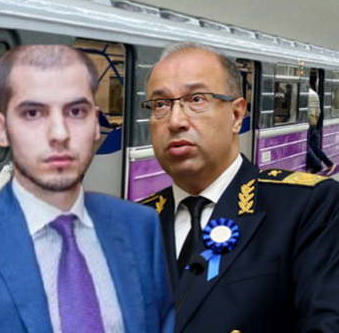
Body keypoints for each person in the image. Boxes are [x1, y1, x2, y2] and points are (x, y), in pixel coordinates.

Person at [0, 45, 173, 333]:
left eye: (76, 111)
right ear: (2, 130)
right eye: (32, 113)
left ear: (95, 123)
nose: (59, 134)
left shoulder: (140, 226)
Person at [140, 41, 339, 333]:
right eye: (160, 104)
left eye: (196, 99)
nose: (175, 120)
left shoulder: (306, 207)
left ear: (236, 115)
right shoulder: (133, 222)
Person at [306, 78, 336, 174]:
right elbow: (318, 111)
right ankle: (328, 163)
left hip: (308, 122)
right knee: (313, 146)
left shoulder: (306, 94)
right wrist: (315, 123)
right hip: (314, 122)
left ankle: (317, 165)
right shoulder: (315, 94)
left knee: (305, 146)